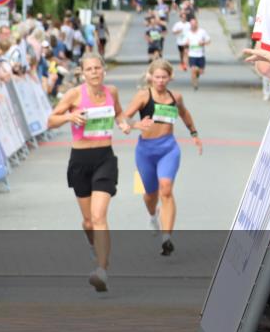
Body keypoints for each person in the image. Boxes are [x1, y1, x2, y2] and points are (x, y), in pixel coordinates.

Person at [47, 53, 132, 292]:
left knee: (98, 216)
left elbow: (118, 112)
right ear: (82, 73)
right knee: (88, 222)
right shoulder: (74, 94)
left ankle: (101, 270)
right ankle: (96, 246)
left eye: (97, 68)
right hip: (80, 160)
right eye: (89, 69)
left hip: (105, 158)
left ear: (104, 70)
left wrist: (123, 123)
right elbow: (50, 120)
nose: (94, 72)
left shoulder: (111, 91)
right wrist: (69, 116)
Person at [121, 59, 202, 256]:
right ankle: (152, 216)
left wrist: (194, 133)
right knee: (150, 194)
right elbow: (123, 117)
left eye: (164, 77)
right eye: (157, 77)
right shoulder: (143, 96)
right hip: (145, 151)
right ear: (150, 77)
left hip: (168, 149)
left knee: (166, 190)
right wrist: (133, 125)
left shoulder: (176, 97)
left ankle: (167, 237)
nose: (160, 81)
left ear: (170, 77)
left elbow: (184, 114)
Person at [184, 17, 211, 90]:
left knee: (201, 71)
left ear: (197, 24)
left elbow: (209, 41)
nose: (193, 25)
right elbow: (184, 44)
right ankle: (195, 83)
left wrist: (203, 42)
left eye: (194, 23)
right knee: (193, 69)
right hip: (192, 55)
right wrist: (186, 44)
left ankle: (196, 76)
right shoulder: (187, 33)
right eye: (191, 24)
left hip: (201, 55)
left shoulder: (202, 32)